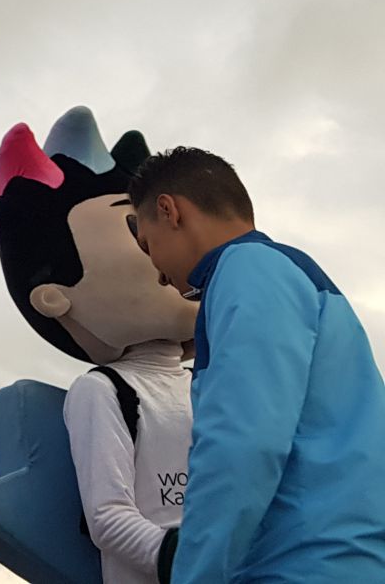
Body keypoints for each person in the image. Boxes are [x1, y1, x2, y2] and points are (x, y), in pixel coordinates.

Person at [128, 146, 385, 582]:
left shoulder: (245, 270)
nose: (157, 273)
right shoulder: (292, 273)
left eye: (147, 245)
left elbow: (242, 442)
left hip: (300, 564)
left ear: (169, 210)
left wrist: (194, 575)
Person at [0, 108, 194, 583]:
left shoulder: (211, 385)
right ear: (55, 297)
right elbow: (108, 517)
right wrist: (187, 558)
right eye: (136, 229)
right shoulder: (104, 391)